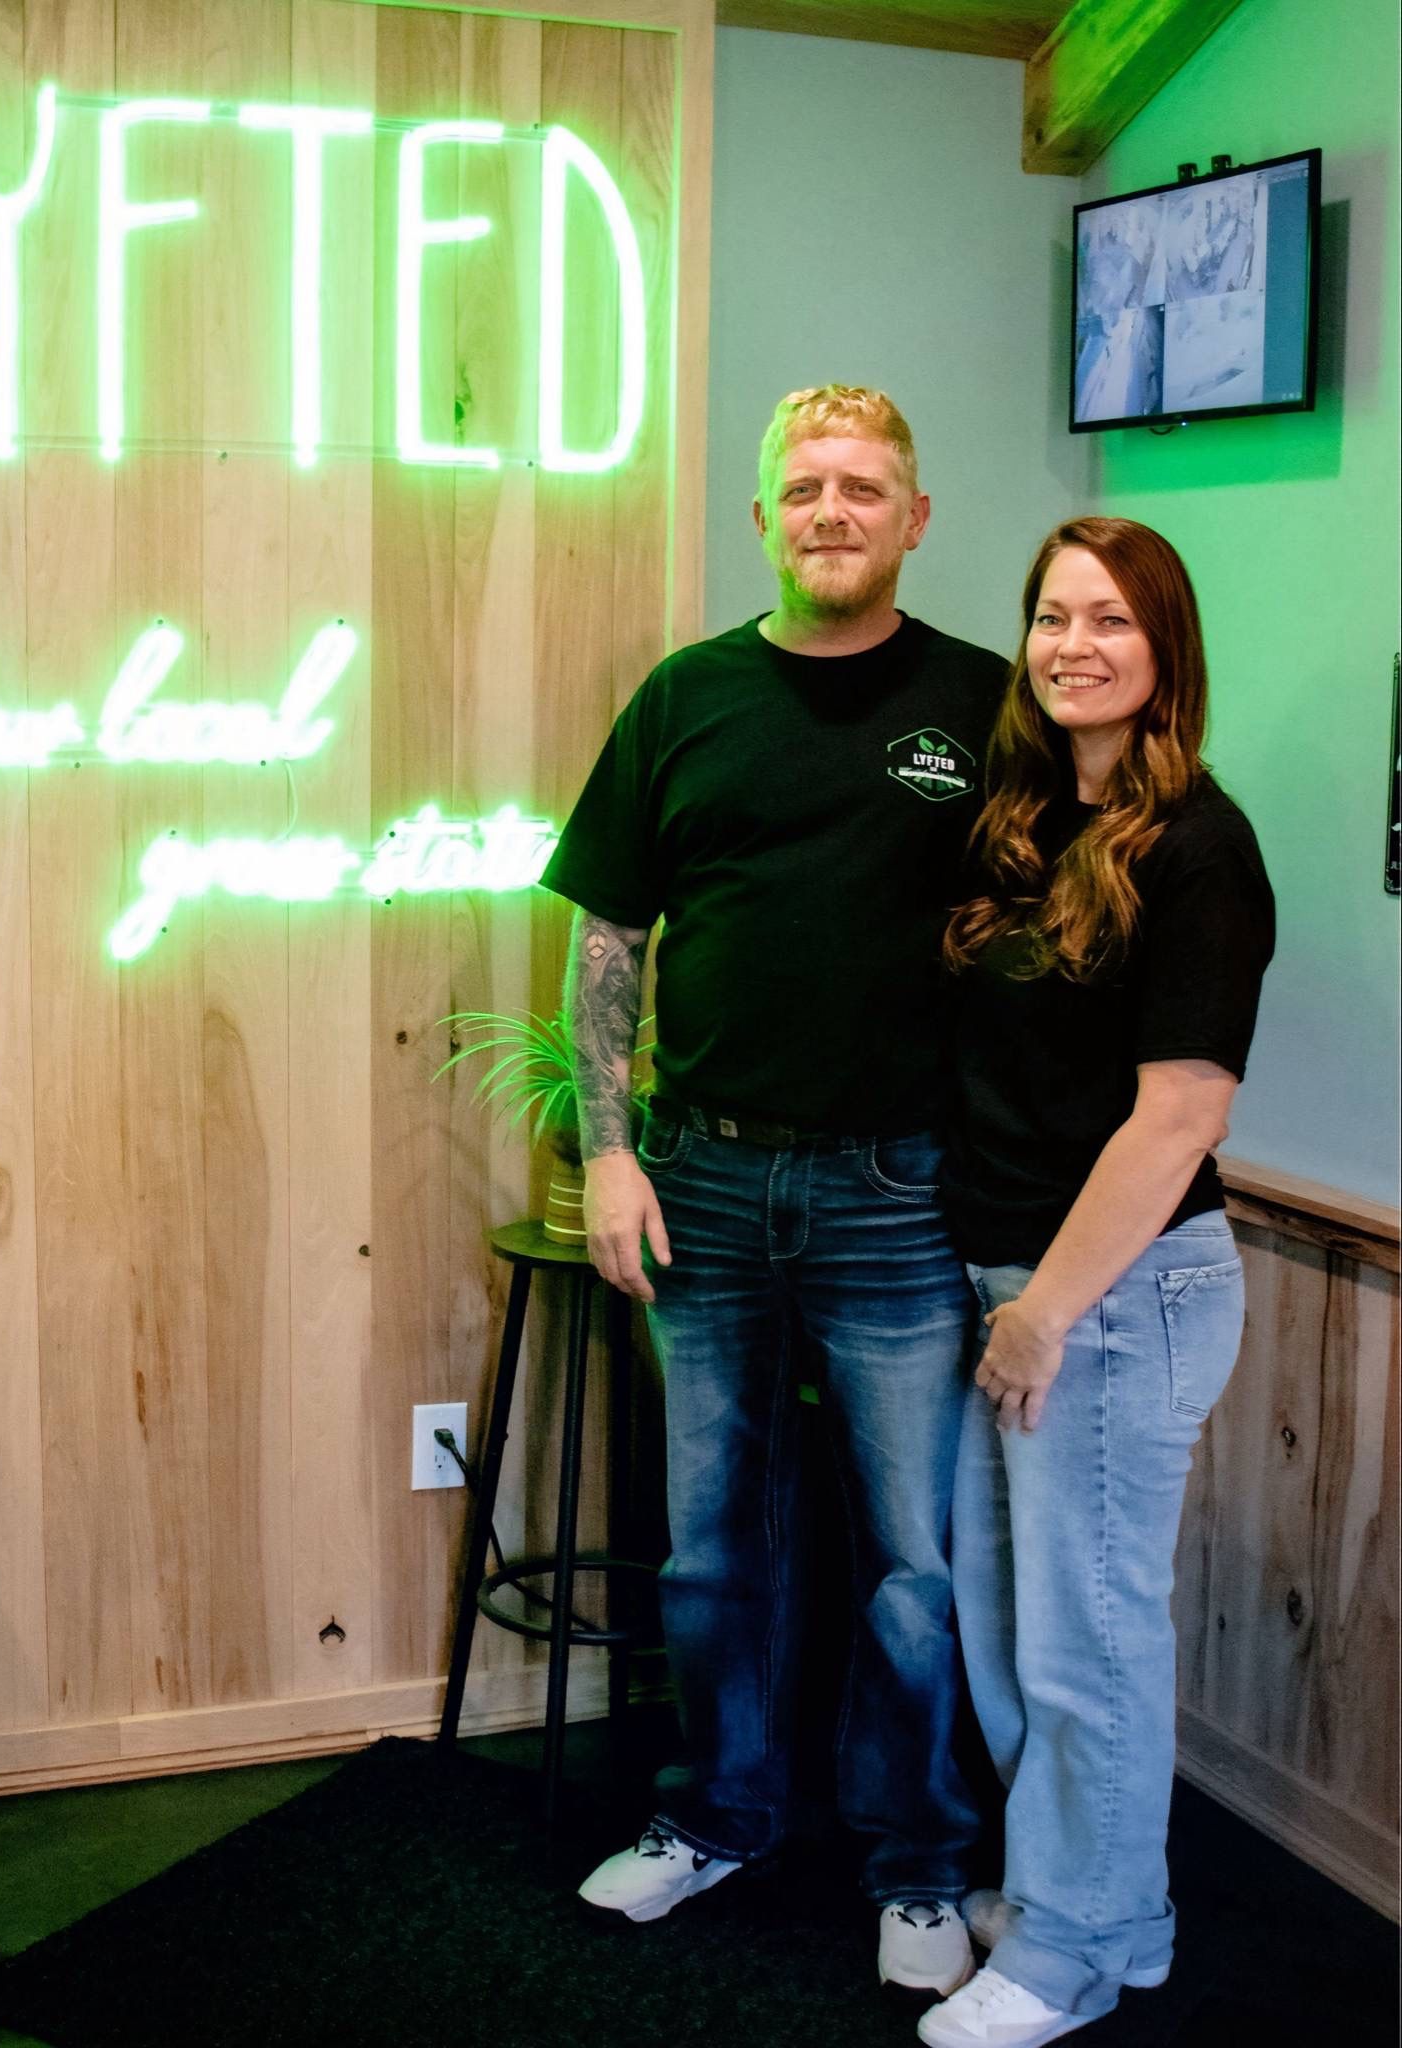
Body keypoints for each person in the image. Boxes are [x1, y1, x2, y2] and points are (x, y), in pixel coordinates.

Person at [538, 385, 1005, 1995]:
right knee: (713, 1544)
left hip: (900, 1194)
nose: (831, 510)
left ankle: (924, 1869)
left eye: (863, 487)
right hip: (706, 1181)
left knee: (910, 1564)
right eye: (802, 487)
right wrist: (607, 1146)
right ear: (762, 520)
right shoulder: (685, 700)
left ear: (915, 517)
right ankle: (719, 1818)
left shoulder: (985, 706)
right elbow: (609, 937)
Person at [917, 518, 1275, 2048]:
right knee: (1012, 1632)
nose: (1075, 644)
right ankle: (1106, 1909)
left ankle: (1069, 1944)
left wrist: (1048, 1308)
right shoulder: (1022, 826)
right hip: (1017, 1280)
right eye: (1053, 616)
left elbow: (1183, 1110)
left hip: (1119, 1296)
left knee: (1088, 1642)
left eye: (1111, 620)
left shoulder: (1201, 842)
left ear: (1165, 647)